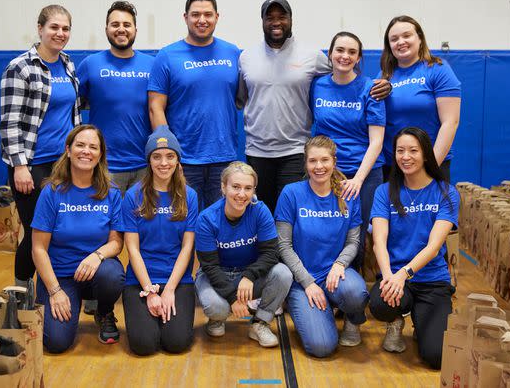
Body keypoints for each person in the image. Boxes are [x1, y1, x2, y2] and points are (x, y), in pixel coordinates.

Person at [237, 0, 391, 213]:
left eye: (282, 16)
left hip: (295, 151)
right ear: (261, 21)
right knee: (261, 219)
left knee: (291, 218)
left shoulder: (311, 56)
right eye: (269, 17)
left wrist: (385, 86)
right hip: (257, 151)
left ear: (291, 19)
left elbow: (342, 72)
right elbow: (240, 99)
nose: (276, 22)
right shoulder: (245, 57)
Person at [0, 4, 82, 291]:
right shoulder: (20, 67)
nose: (60, 33)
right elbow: (9, 124)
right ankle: (21, 293)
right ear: (40, 29)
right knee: (37, 233)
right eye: (54, 27)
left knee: (63, 231)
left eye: (65, 28)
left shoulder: (68, 64)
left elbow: (73, 115)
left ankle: (58, 289)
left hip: (64, 164)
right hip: (32, 165)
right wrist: (20, 166)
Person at [369, 127, 459, 369]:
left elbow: (433, 247)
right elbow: (379, 241)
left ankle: (422, 322)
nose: (405, 157)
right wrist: (388, 277)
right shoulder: (385, 191)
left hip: (431, 280)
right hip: (397, 278)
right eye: (400, 151)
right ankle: (396, 320)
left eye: (413, 151)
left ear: (426, 155)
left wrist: (403, 274)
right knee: (379, 303)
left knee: (436, 358)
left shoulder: (445, 192)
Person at [31, 125, 124, 353]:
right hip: (60, 276)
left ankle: (103, 311)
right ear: (68, 150)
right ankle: (63, 300)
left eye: (93, 147)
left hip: (95, 273)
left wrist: (96, 256)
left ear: (100, 154)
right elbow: (38, 249)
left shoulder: (111, 192)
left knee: (112, 274)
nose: (86, 151)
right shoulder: (52, 192)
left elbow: (116, 242)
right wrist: (54, 291)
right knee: (56, 342)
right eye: (80, 145)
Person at [275, 135, 368, 358]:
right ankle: (314, 309)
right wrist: (307, 283)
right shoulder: (292, 193)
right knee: (322, 347)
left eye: (325, 160)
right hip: (302, 279)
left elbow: (354, 241)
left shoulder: (348, 194)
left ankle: (352, 320)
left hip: (335, 274)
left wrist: (340, 264)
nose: (319, 167)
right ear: (305, 164)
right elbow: (283, 246)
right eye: (313, 161)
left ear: (334, 162)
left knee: (356, 293)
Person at [148, 0, 240, 211]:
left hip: (223, 157)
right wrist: (169, 155)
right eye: (195, 14)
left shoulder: (232, 53)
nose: (202, 20)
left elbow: (239, 98)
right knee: (184, 223)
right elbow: (155, 107)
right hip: (185, 160)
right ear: (185, 17)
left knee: (220, 224)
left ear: (217, 17)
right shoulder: (167, 56)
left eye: (208, 14)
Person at [195, 162, 292, 348]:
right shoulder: (207, 219)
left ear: (254, 190)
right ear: (223, 187)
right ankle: (217, 319)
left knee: (283, 273)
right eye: (235, 187)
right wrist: (232, 298)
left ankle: (260, 323)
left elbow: (271, 253)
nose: (241, 194)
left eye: (248, 188)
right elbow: (209, 266)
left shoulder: (260, 210)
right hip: (217, 274)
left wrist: (249, 276)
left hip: (247, 274)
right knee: (216, 308)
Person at [310, 31, 386, 269]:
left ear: (359, 57)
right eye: (340, 50)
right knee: (330, 228)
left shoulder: (371, 88)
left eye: (352, 52)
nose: (345, 56)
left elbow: (376, 141)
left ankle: (352, 290)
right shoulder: (317, 85)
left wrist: (358, 181)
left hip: (364, 172)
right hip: (328, 170)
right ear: (330, 54)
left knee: (359, 232)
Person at [121, 125, 198, 355]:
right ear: (149, 160)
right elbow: (132, 250)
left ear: (177, 160)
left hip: (177, 280)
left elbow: (187, 248)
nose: (163, 163)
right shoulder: (133, 195)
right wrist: (150, 291)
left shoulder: (189, 195)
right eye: (157, 156)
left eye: (170, 156)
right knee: (144, 345)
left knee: (176, 343)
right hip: (140, 281)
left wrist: (170, 290)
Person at [78, 0, 154, 193]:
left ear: (135, 29)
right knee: (106, 223)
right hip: (104, 166)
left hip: (145, 166)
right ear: (106, 29)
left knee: (141, 222)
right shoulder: (90, 65)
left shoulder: (152, 65)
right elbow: (76, 106)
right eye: (115, 24)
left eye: (127, 25)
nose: (121, 29)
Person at [380, 15, 461, 182]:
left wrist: (430, 168)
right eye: (394, 39)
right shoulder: (384, 76)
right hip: (392, 166)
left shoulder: (438, 69)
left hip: (431, 164)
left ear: (420, 38)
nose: (400, 42)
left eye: (406, 35)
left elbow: (450, 122)